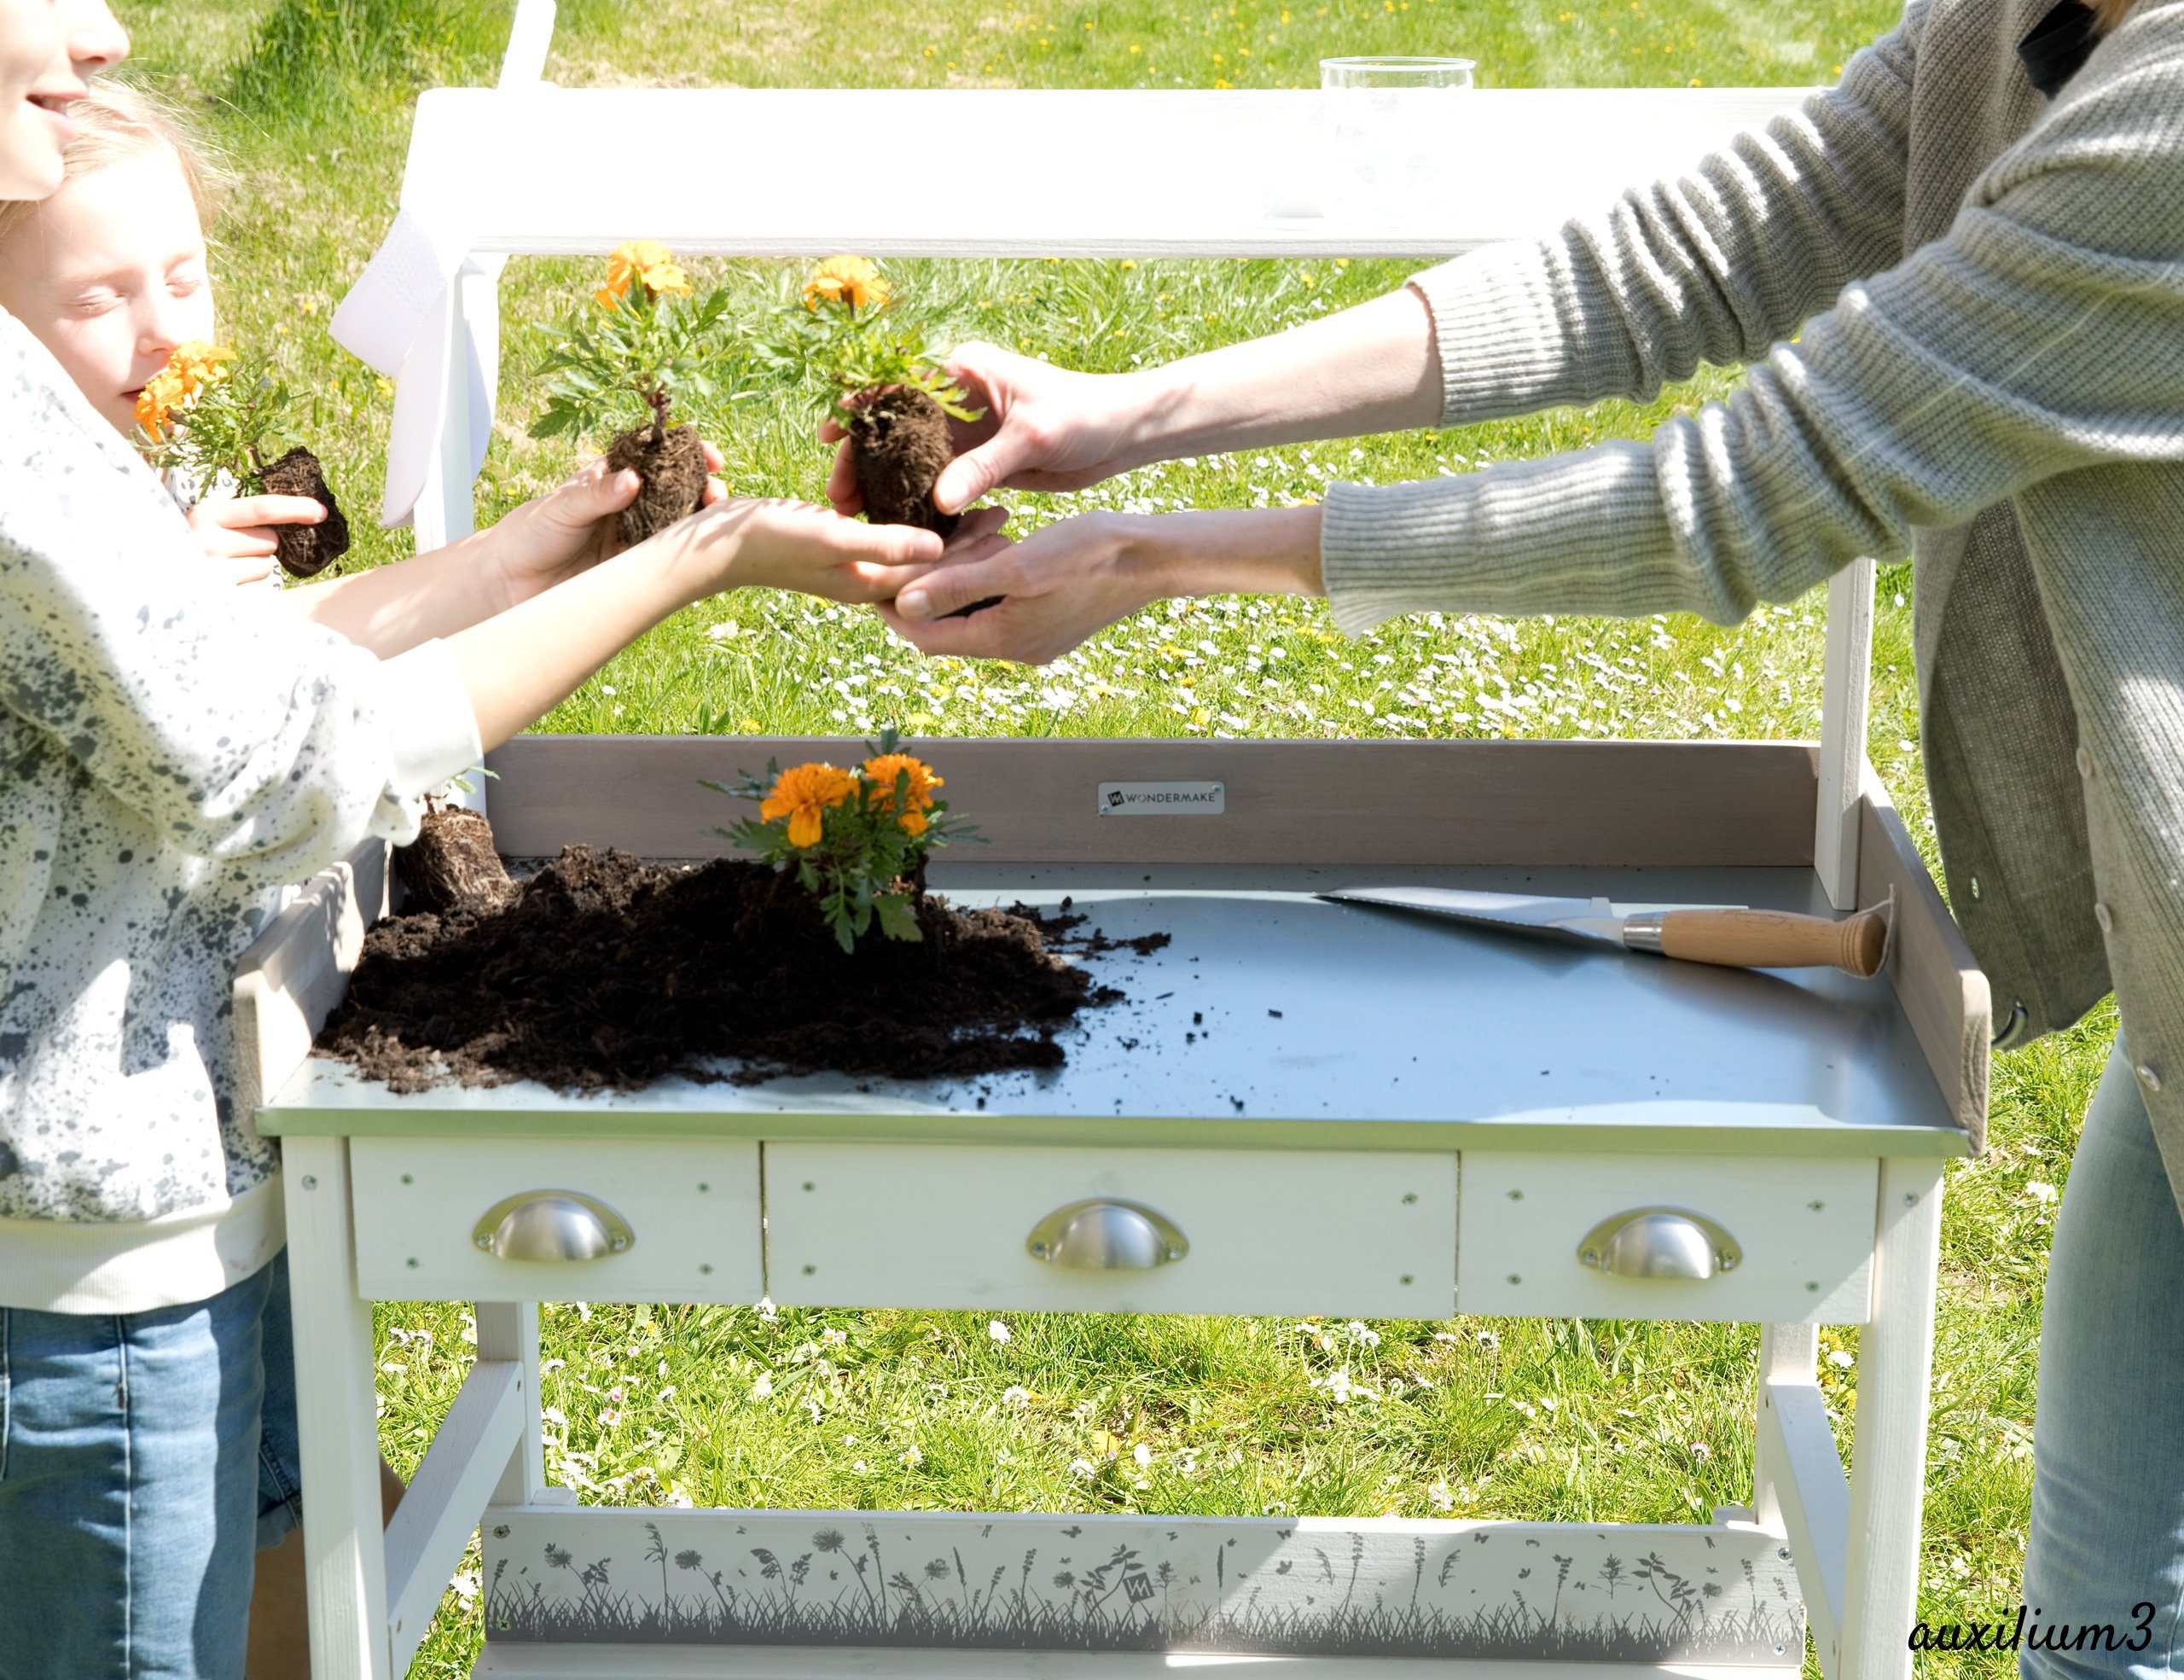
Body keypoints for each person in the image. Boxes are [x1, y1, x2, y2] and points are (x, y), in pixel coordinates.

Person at [867, 0, 2184, 1666]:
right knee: (2101, 1634)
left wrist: (1153, 559)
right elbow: (1668, 264)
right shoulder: (2022, 21)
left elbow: (1738, 496)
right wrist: (1130, 415)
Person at [0, 6, 951, 1677]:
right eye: (97, 297)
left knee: (306, 1567)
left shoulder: (58, 433)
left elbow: (244, 676)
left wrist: (530, 555)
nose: (107, 25)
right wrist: (686, 560)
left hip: (196, 1153)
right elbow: (286, 764)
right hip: (93, 1236)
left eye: (184, 278)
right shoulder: (24, 467)